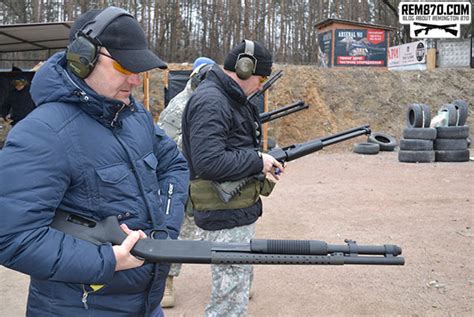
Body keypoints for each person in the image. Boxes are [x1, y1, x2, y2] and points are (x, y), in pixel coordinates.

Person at [0, 7, 189, 317]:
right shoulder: (43, 133)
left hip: (146, 305)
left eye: (138, 67)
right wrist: (108, 260)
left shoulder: (133, 115)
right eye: (123, 65)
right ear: (82, 58)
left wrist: (163, 233)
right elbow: (12, 237)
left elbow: (174, 165)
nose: (135, 79)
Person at [181, 40, 285, 316]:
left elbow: (231, 148)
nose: (262, 85)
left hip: (233, 209)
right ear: (244, 68)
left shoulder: (226, 98)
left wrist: (260, 165)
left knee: (235, 292)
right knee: (227, 302)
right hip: (224, 213)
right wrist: (258, 160)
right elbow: (208, 161)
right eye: (261, 77)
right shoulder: (213, 101)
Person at [158, 56, 215, 308]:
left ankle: (232, 279)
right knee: (176, 231)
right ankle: (167, 282)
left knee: (223, 230)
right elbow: (164, 147)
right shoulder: (178, 106)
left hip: (213, 178)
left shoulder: (217, 102)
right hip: (184, 179)